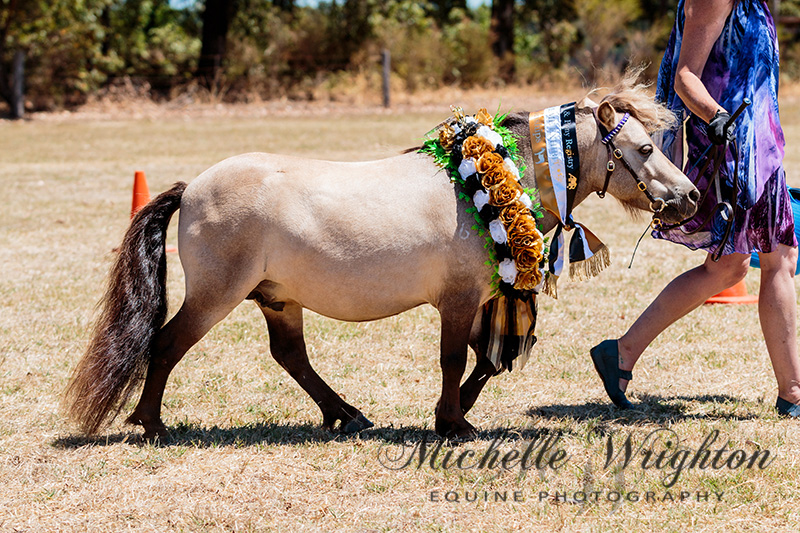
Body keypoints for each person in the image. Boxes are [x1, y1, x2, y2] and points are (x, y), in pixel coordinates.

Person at [590, 0, 800, 416]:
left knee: (729, 267)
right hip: (732, 149)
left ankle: (621, 353)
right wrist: (718, 118)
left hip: (757, 147)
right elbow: (687, 76)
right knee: (777, 258)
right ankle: (792, 392)